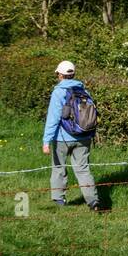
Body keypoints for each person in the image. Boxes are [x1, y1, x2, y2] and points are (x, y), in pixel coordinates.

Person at [43, 60, 101, 211]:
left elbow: (53, 118)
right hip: (84, 137)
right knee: (83, 169)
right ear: (74, 74)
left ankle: (58, 199)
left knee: (58, 167)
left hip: (62, 138)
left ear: (60, 75)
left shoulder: (58, 92)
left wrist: (46, 141)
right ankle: (93, 200)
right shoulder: (84, 91)